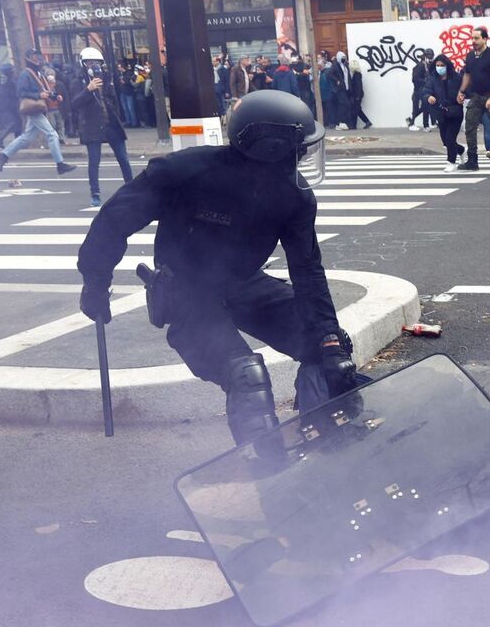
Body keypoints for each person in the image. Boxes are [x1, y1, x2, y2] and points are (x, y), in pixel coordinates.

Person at [77, 90, 359, 451]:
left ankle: (334, 448)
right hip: (186, 292)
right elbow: (114, 220)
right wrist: (95, 282)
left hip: (243, 283)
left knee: (329, 349)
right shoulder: (183, 173)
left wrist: (329, 339)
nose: (303, 154)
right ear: (273, 148)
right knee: (246, 375)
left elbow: (308, 271)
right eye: (298, 146)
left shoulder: (294, 198)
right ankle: (265, 465)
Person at [0, 49, 76, 175]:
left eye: (38, 56)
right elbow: (21, 92)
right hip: (34, 109)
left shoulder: (37, 73)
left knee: (27, 137)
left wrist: (54, 97)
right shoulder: (26, 74)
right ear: (28, 58)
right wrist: (39, 95)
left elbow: (45, 90)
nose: (37, 59)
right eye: (34, 56)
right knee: (52, 134)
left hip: (37, 108)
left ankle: (4, 155)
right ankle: (60, 164)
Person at [70, 48, 132, 208]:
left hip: (110, 122)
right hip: (92, 124)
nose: (94, 66)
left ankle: (132, 187)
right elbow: (75, 103)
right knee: (94, 161)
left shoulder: (107, 77)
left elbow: (113, 98)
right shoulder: (78, 81)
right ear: (83, 64)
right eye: (90, 63)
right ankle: (95, 194)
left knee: (123, 158)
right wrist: (88, 90)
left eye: (97, 63)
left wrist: (118, 117)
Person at [457, 27, 490, 170]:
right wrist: (461, 91)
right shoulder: (470, 56)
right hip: (476, 96)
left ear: (485, 39)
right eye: (472, 38)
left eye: (476, 38)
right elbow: (467, 75)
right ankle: (472, 160)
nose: (473, 41)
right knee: (470, 126)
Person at [427, 54, 466, 171]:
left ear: (447, 66)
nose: (439, 67)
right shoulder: (433, 79)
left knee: (450, 138)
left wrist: (462, 95)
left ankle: (451, 162)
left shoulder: (457, 77)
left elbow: (465, 90)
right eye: (437, 65)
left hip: (455, 112)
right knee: (445, 141)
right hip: (440, 112)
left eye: (442, 65)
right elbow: (426, 91)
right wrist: (428, 96)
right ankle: (461, 150)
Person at [0, 64, 20, 148]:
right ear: (9, 71)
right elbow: (11, 93)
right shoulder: (8, 80)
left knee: (17, 123)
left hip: (4, 105)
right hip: (9, 105)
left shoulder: (0, 78)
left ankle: (18, 141)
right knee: (13, 123)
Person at [327, 52, 353, 131]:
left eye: (344, 57)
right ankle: (340, 122)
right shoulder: (335, 65)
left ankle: (343, 123)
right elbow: (329, 74)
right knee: (344, 104)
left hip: (346, 88)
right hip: (340, 89)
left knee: (345, 106)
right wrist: (337, 80)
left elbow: (347, 76)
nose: (344, 59)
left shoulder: (345, 66)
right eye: (342, 57)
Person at [408, 55, 432, 132]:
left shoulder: (426, 66)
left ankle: (424, 124)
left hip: (423, 90)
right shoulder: (420, 66)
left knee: (425, 107)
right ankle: (412, 123)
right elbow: (415, 79)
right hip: (419, 90)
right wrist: (425, 81)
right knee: (417, 107)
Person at [349, 63, 372, 129]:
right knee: (357, 110)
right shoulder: (357, 74)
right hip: (358, 95)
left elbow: (358, 86)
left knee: (355, 110)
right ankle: (366, 122)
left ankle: (355, 125)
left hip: (357, 95)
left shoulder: (356, 75)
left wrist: (358, 96)